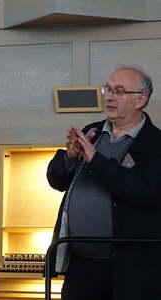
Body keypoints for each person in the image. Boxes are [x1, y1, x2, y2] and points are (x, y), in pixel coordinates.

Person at [47, 67, 161, 300]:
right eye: (107, 89)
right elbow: (56, 181)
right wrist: (69, 157)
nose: (109, 96)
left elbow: (146, 194)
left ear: (141, 99)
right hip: (81, 269)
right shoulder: (93, 132)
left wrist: (96, 160)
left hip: (129, 272)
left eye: (119, 91)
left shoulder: (156, 144)